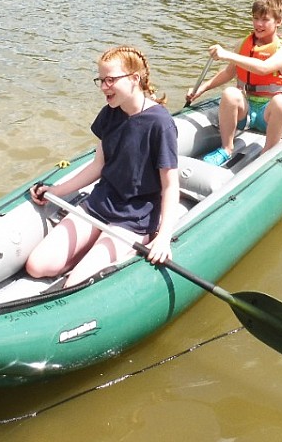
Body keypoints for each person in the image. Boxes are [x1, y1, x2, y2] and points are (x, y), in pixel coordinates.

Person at [26, 46, 179, 288]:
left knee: (75, 285)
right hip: (101, 204)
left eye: (111, 80)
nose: (104, 87)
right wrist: (56, 191)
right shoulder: (109, 114)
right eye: (101, 80)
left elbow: (170, 186)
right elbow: (99, 165)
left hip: (134, 218)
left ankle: (121, 252)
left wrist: (164, 237)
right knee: (37, 266)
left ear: (134, 79)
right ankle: (84, 256)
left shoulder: (160, 123)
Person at [186, 0, 282, 166]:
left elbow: (264, 68)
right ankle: (226, 149)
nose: (258, 24)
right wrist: (203, 88)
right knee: (230, 93)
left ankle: (267, 154)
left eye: (265, 19)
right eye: (255, 18)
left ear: (278, 21)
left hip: (269, 113)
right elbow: (229, 73)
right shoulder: (244, 44)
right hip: (246, 108)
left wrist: (228, 54)